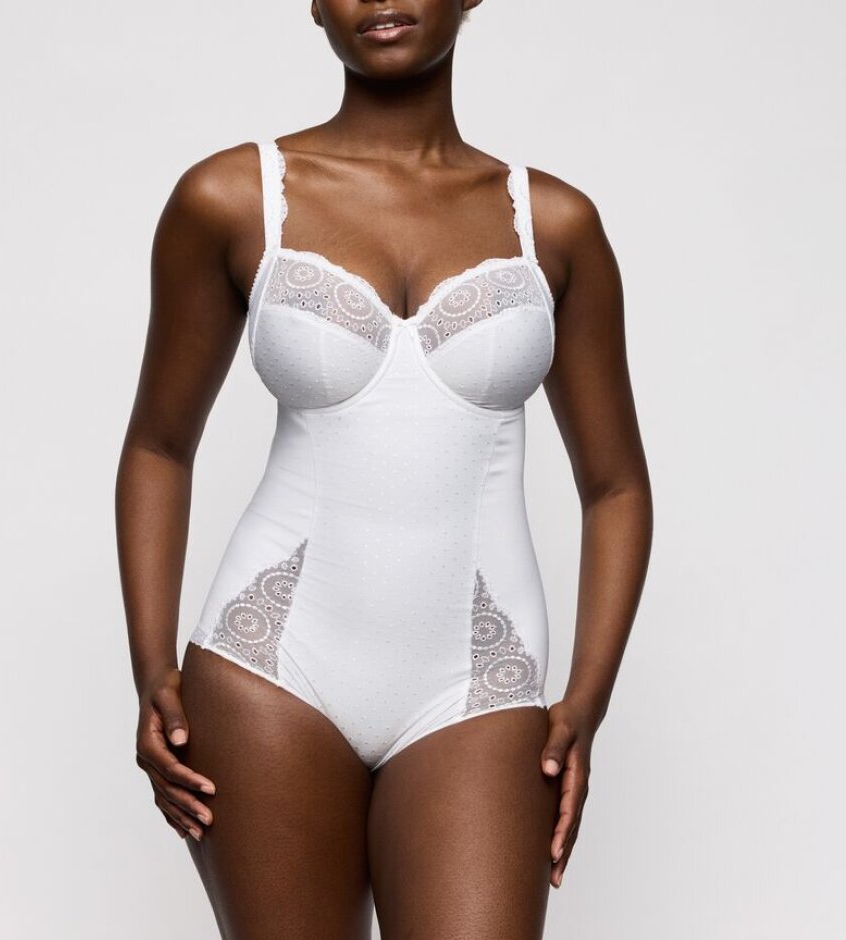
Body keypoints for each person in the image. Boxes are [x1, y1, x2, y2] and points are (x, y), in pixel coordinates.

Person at [115, 2, 653, 936]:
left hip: (479, 685)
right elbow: (159, 444)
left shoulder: (556, 224)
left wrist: (588, 698)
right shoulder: (229, 198)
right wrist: (149, 663)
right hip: (268, 669)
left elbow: (616, 487)